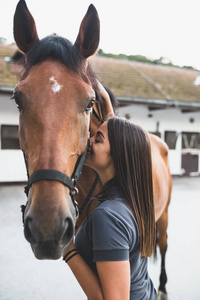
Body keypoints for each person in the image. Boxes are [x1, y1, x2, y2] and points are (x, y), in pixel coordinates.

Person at [63, 117, 157, 300]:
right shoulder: (134, 201)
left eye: (97, 139)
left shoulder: (108, 216)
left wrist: (66, 249)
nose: (88, 141)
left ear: (119, 155)